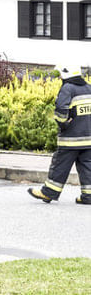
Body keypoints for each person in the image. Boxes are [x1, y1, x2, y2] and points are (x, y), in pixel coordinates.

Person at [29, 63, 91, 205]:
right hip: (89, 140)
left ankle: (48, 193)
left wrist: (63, 124)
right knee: (88, 168)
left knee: (60, 167)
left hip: (71, 140)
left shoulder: (67, 88)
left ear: (66, 74)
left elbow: (61, 111)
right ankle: (88, 196)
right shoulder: (89, 88)